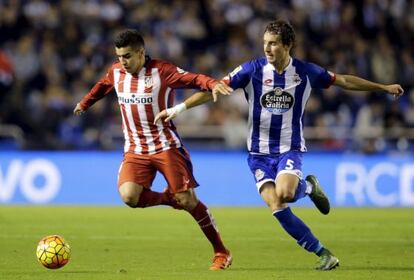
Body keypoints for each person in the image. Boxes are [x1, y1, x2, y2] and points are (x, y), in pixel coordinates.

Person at [154, 20, 404, 270]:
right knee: (276, 205)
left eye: (273, 43)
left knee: (284, 193)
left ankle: (306, 187)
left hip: (288, 148)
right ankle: (323, 252)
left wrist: (382, 88)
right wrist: (179, 108)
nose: (267, 48)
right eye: (265, 43)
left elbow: (345, 82)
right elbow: (215, 89)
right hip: (258, 154)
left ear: (288, 45)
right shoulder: (251, 70)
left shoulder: (305, 72)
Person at [73, 29, 234, 270]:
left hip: (165, 146)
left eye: (127, 56)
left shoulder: (163, 71)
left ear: (141, 52)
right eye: (119, 56)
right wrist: (85, 103)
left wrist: (212, 83)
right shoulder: (116, 72)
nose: (122, 62)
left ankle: (221, 252)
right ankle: (167, 198)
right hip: (135, 149)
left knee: (188, 200)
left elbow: (193, 78)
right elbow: (102, 86)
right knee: (129, 196)